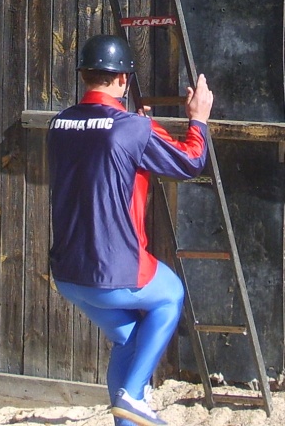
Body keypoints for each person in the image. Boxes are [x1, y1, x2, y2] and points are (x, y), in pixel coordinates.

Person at [47, 34, 213, 426]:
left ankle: (127, 418)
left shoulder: (59, 123)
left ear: (84, 76)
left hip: (69, 273)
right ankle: (132, 397)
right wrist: (199, 119)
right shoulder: (134, 129)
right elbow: (190, 162)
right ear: (123, 79)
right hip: (116, 269)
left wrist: (141, 125)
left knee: (129, 337)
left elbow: (100, 144)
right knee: (171, 294)